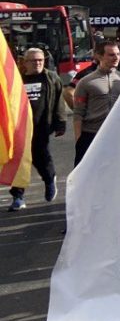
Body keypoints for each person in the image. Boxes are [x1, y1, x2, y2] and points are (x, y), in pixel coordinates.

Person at [7, 48, 69, 210]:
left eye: (40, 60)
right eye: (34, 60)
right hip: (18, 129)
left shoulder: (51, 78)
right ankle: (18, 196)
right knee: (18, 160)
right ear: (25, 62)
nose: (38, 63)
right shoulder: (16, 78)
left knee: (40, 157)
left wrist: (60, 122)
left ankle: (49, 179)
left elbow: (59, 102)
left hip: (41, 126)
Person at [72, 40, 120, 164]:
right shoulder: (86, 82)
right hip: (91, 135)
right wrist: (79, 140)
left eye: (118, 54)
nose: (116, 58)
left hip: (117, 135)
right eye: (111, 54)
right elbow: (78, 113)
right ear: (99, 56)